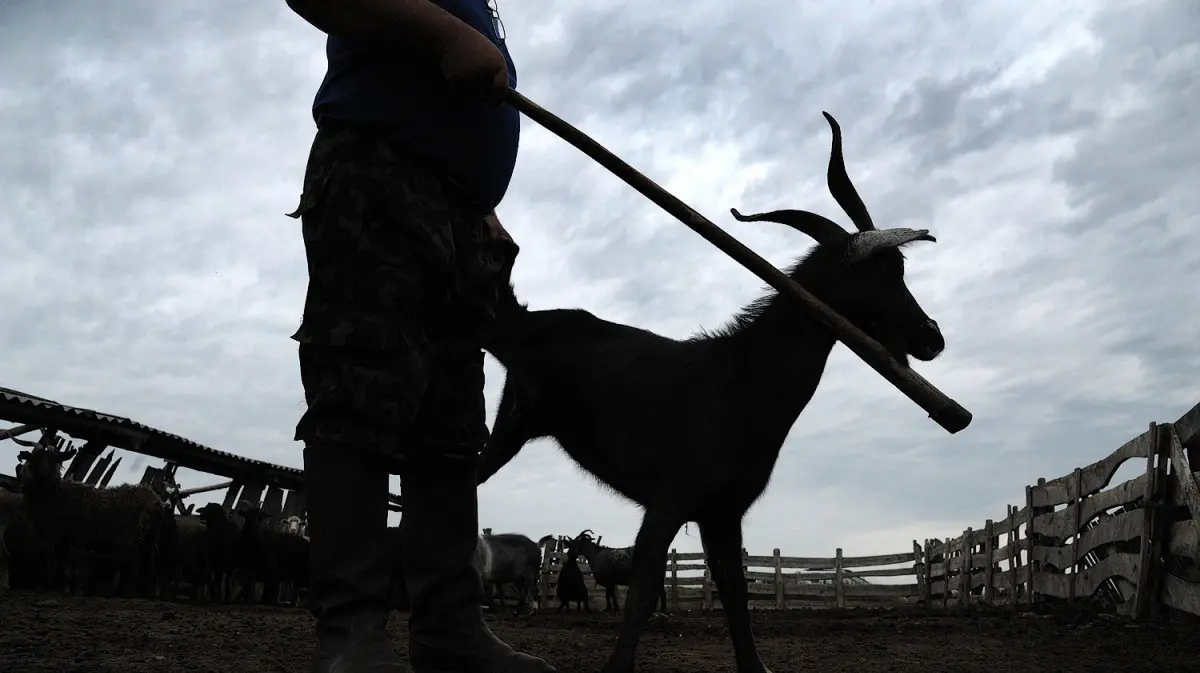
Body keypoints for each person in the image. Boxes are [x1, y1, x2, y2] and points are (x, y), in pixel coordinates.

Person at [282, 1, 555, 671]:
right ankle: (353, 636)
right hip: (378, 175)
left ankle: (448, 630)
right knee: (360, 389)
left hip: (460, 213)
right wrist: (448, 33)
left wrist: (479, 201)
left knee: (450, 424)